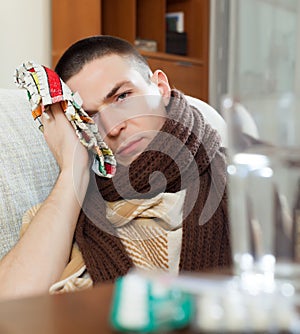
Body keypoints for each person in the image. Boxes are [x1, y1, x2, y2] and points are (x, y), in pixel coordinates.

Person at [0, 35, 231, 300]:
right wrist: (72, 171)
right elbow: (7, 310)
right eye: (90, 116)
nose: (112, 127)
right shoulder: (62, 216)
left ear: (161, 87)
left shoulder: (240, 183)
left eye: (123, 97)